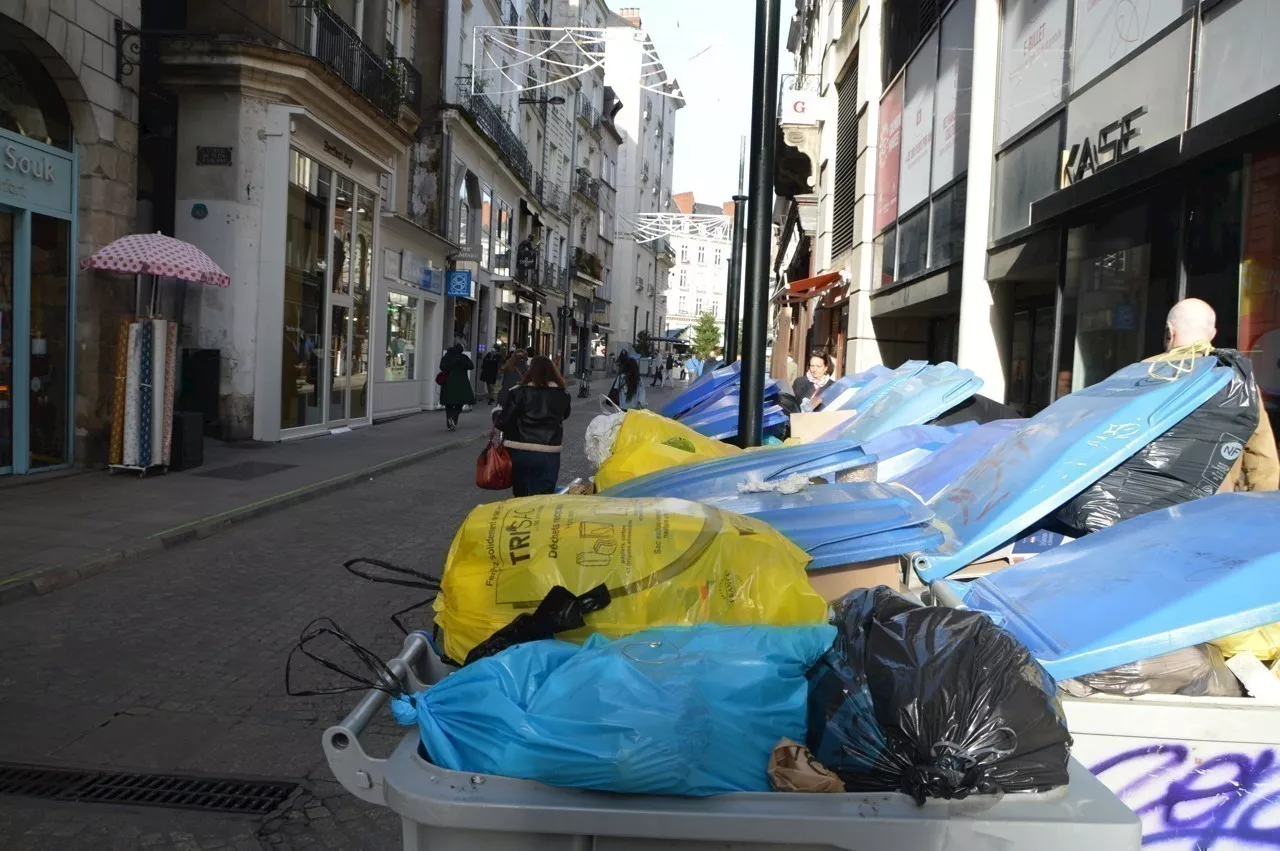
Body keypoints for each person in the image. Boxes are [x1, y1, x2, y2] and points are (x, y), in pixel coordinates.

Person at [1151, 298, 1277, 492]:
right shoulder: (1236, 381)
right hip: (1213, 509)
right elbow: (1262, 459)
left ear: (1169, 331)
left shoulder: (1144, 375)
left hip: (1148, 510)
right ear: (1212, 334)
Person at [493, 356, 572, 496]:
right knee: (543, 497)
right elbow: (564, 416)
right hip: (549, 453)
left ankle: (520, 517)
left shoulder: (518, 392)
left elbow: (502, 422)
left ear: (530, 371)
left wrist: (496, 413)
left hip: (520, 452)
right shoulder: (562, 394)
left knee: (521, 494)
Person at [438, 344, 475, 431]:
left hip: (448, 383)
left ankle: (450, 424)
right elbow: (471, 366)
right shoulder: (463, 357)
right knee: (460, 403)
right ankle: (454, 419)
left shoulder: (446, 357)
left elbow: (442, 367)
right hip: (461, 384)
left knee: (449, 405)